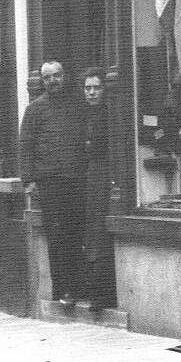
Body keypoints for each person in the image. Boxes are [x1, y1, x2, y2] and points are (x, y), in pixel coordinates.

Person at [19, 60, 87, 308]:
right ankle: (63, 290)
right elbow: (25, 145)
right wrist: (29, 181)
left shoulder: (77, 105)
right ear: (42, 81)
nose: (53, 81)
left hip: (76, 180)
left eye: (57, 75)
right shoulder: (35, 109)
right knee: (57, 236)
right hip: (50, 183)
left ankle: (80, 287)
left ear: (64, 76)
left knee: (76, 232)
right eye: (47, 78)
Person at [81, 67, 115, 310]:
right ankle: (92, 290)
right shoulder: (83, 114)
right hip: (88, 177)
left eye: (96, 88)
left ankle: (103, 294)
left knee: (101, 231)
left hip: (105, 175)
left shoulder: (111, 115)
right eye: (87, 88)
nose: (91, 93)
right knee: (91, 230)